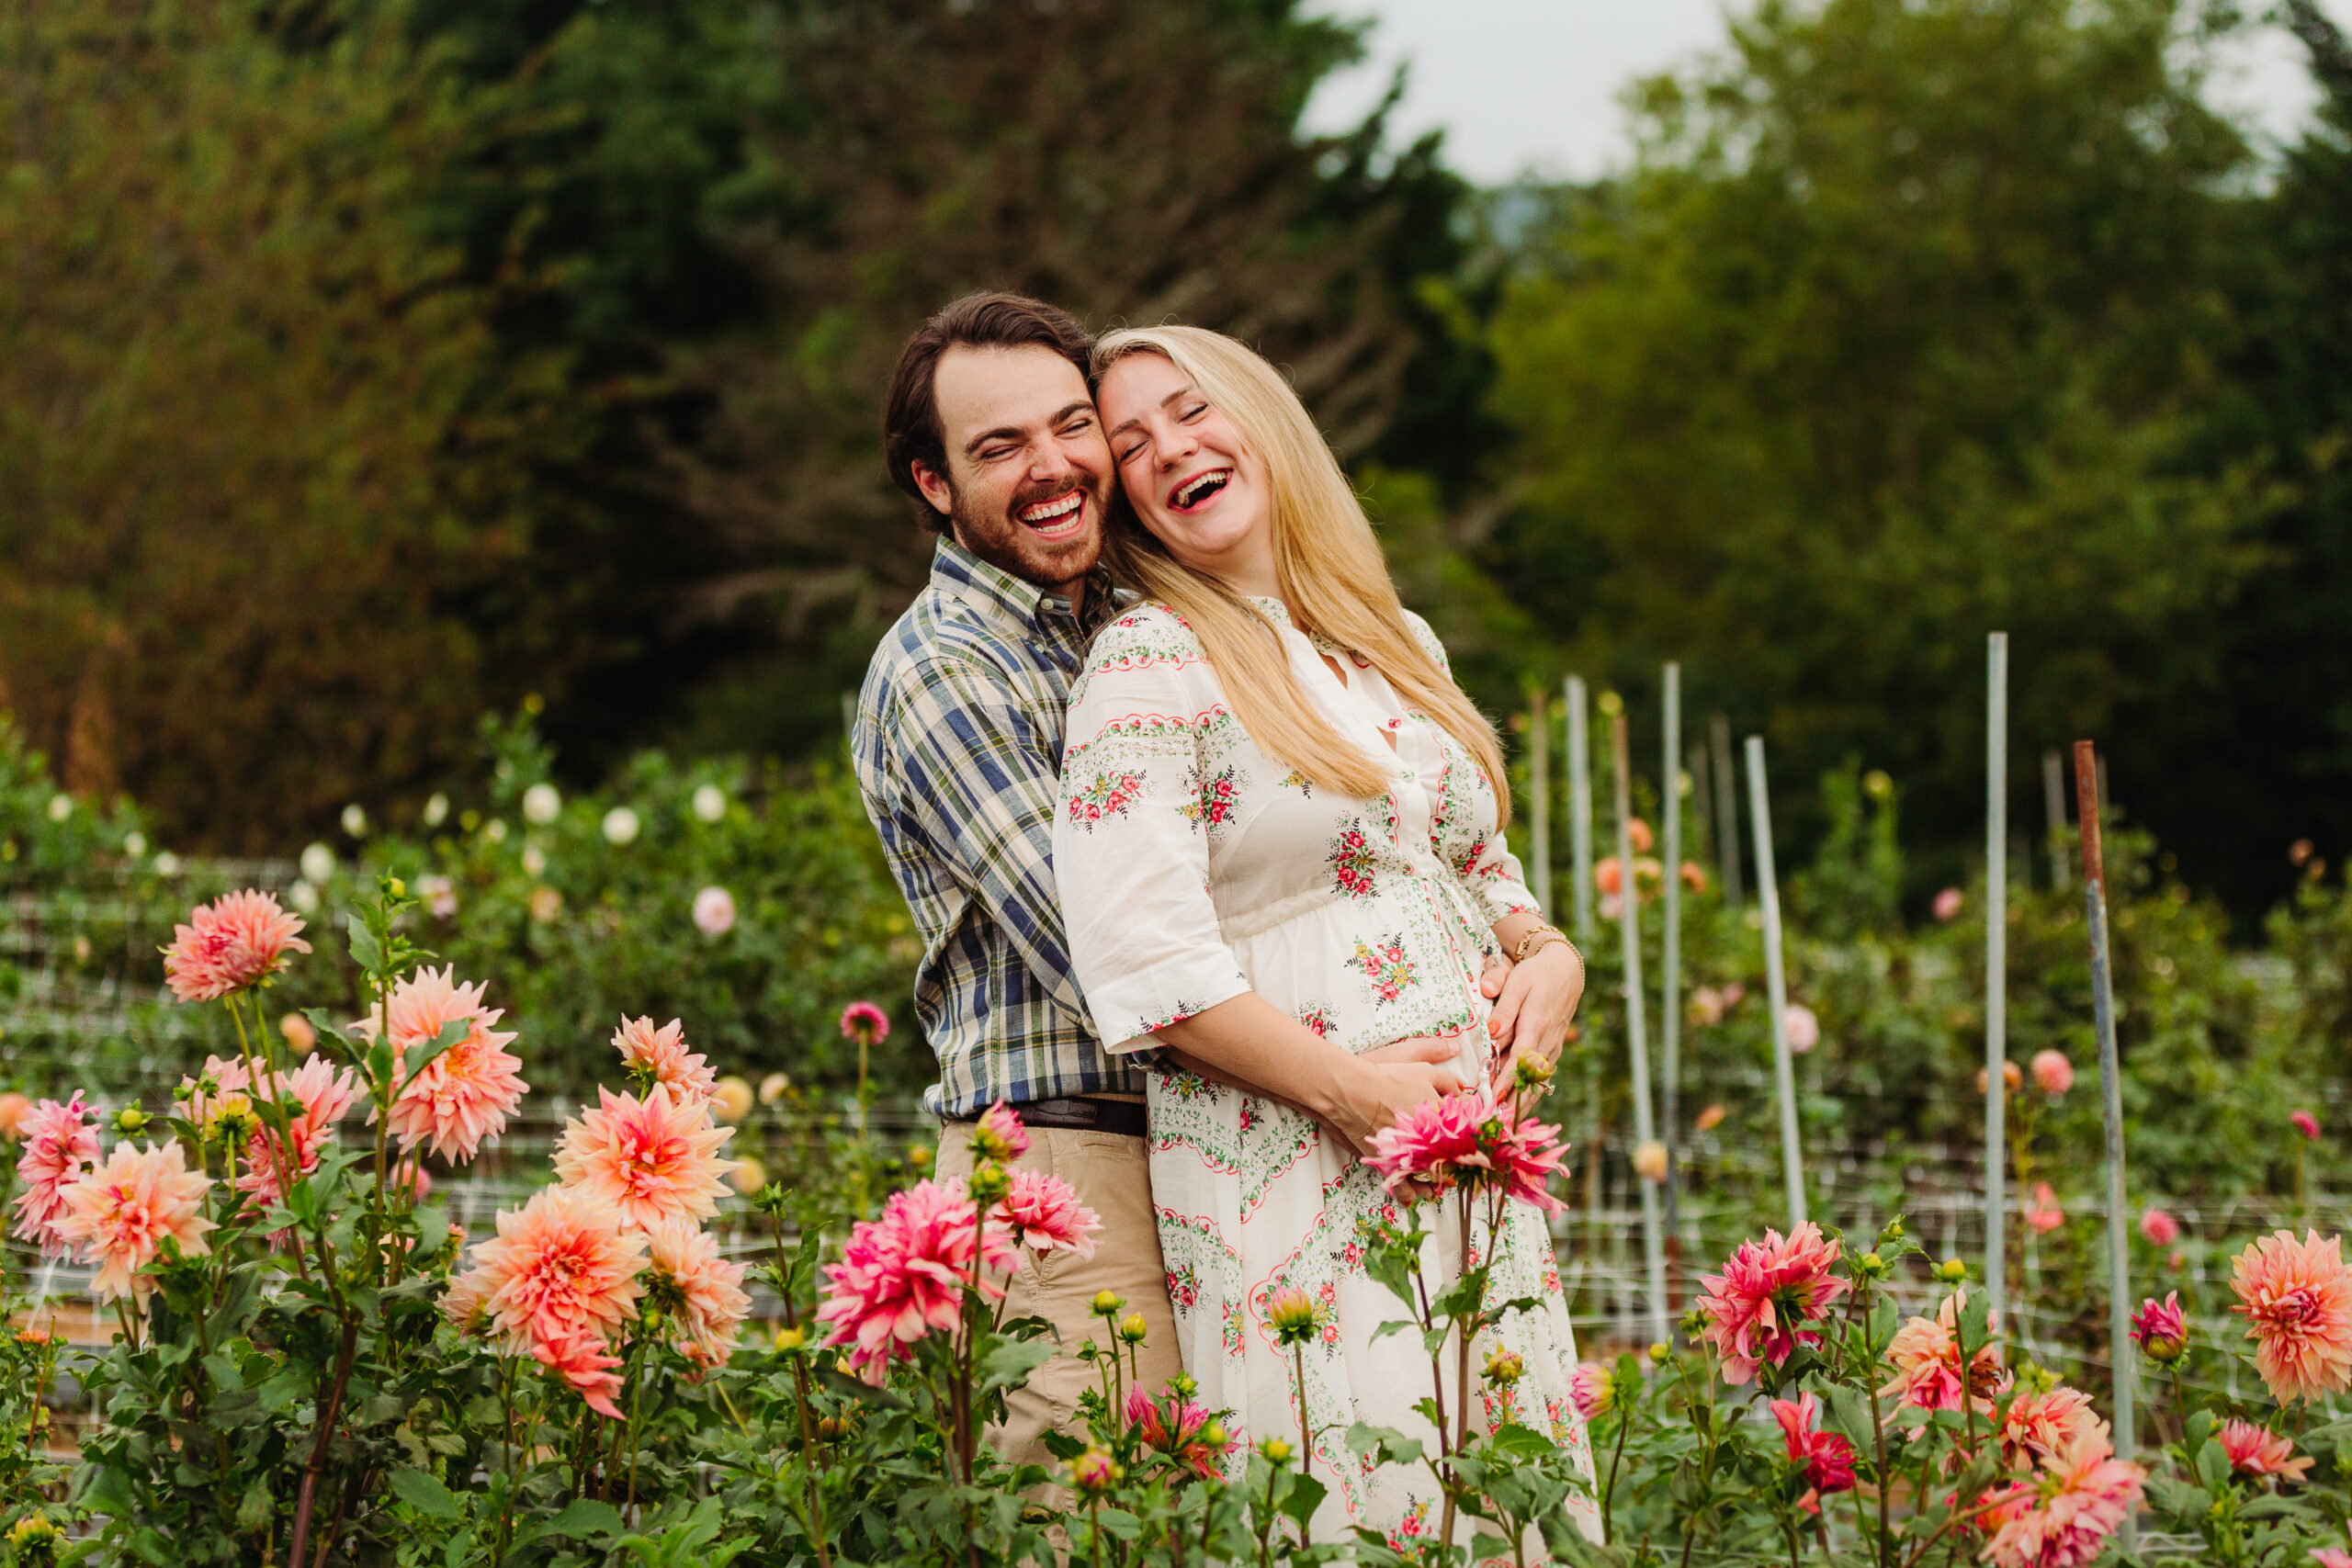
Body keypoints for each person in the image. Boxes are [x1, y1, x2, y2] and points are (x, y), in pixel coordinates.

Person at [851, 292, 1475, 1470]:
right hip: (1071, 1175)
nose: (1054, 468)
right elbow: (1113, 952)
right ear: (933, 485)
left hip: (1232, 1134)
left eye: (1072, 426)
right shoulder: (945, 674)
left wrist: (1527, 949)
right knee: (1100, 1518)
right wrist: (1353, 1073)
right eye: (999, 449)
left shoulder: (1142, 619)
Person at [1051, 321, 1602, 1547]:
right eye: (1131, 445)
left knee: (1489, 1479)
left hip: (1459, 1153)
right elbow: (1147, 968)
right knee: (1355, 1484)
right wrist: (1355, 1094)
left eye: (1191, 410)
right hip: (1292, 1150)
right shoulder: (1149, 662)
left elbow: (1472, 864)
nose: (1168, 451)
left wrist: (1553, 953)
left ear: (1264, 415)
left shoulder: (1391, 637)